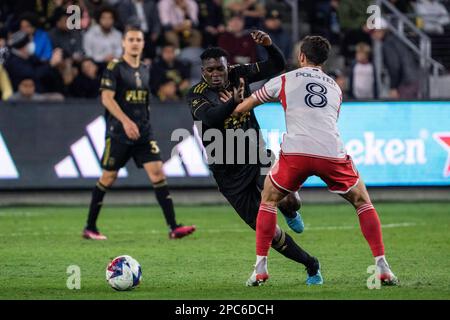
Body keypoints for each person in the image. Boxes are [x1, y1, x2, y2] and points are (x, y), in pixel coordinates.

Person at [233, 35, 398, 286]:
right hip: (331, 152)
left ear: (301, 56)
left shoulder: (285, 79)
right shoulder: (335, 87)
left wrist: (231, 107)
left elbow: (248, 104)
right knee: (362, 201)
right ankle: (382, 266)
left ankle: (260, 269)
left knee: (268, 199)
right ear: (324, 59)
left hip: (297, 152)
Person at [186, 30, 322, 286]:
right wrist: (234, 103)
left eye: (220, 69)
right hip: (227, 174)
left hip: (255, 156)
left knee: (289, 201)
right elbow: (209, 118)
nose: (215, 74)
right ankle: (311, 264)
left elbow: (277, 66)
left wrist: (270, 45)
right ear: (203, 72)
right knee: (267, 232)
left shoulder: (239, 73)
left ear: (228, 67)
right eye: (210, 70)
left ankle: (290, 211)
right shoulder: (196, 93)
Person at [82, 26, 196, 240]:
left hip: (143, 133)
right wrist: (125, 122)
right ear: (123, 43)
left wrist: (144, 122)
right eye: (131, 39)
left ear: (143, 44)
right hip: (119, 132)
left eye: (139, 40)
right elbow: (107, 98)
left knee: (158, 173)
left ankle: (174, 227)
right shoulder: (114, 67)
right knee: (108, 177)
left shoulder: (144, 68)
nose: (135, 43)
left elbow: (145, 100)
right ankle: (90, 227)